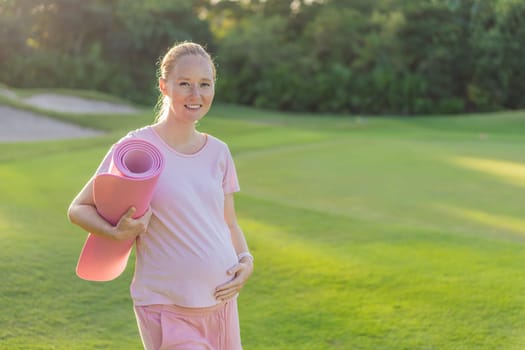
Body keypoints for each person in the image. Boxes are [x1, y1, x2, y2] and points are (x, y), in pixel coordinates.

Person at [67, 41, 254, 350]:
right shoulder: (137, 147)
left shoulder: (219, 151)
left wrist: (246, 260)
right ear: (164, 86)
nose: (196, 95)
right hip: (166, 307)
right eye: (185, 84)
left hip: (221, 305)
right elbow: (78, 209)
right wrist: (115, 232)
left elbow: (229, 223)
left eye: (204, 84)